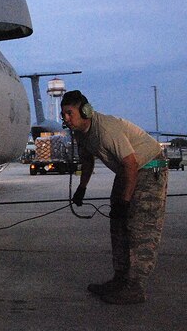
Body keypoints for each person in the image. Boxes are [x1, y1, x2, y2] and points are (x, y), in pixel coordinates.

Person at [61, 90, 168, 305]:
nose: (66, 119)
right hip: (126, 171)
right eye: (63, 115)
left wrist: (125, 201)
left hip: (148, 167)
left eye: (70, 113)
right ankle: (120, 280)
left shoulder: (106, 129)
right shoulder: (81, 134)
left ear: (85, 111)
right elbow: (88, 161)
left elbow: (131, 162)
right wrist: (82, 188)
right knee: (117, 225)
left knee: (140, 227)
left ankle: (135, 287)